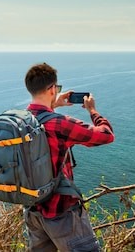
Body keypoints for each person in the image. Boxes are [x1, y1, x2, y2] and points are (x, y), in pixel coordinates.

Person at [23, 63, 114, 251]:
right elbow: (106, 135)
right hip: (61, 213)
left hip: (33, 211)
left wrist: (55, 103)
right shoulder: (59, 124)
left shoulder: (21, 120)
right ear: (52, 89)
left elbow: (41, 116)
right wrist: (92, 111)